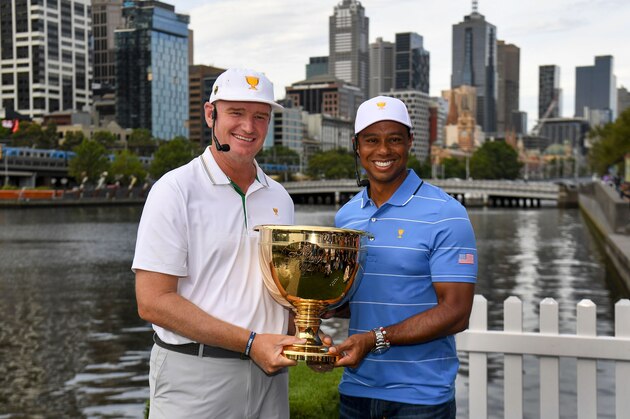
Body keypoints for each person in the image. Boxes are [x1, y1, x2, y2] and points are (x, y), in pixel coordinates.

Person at [132, 68, 303, 419]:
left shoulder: (280, 197)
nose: (249, 127)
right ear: (211, 114)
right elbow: (152, 302)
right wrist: (252, 343)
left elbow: (278, 292)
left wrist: (303, 336)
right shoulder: (175, 189)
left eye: (260, 116)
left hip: (271, 377)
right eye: (236, 113)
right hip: (196, 374)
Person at [327, 96, 478, 418]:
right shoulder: (346, 216)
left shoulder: (447, 213)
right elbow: (363, 300)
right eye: (372, 140)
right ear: (356, 146)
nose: (383, 151)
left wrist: (375, 339)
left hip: (421, 396)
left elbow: (456, 312)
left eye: (394, 139)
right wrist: (320, 306)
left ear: (410, 142)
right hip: (356, 390)